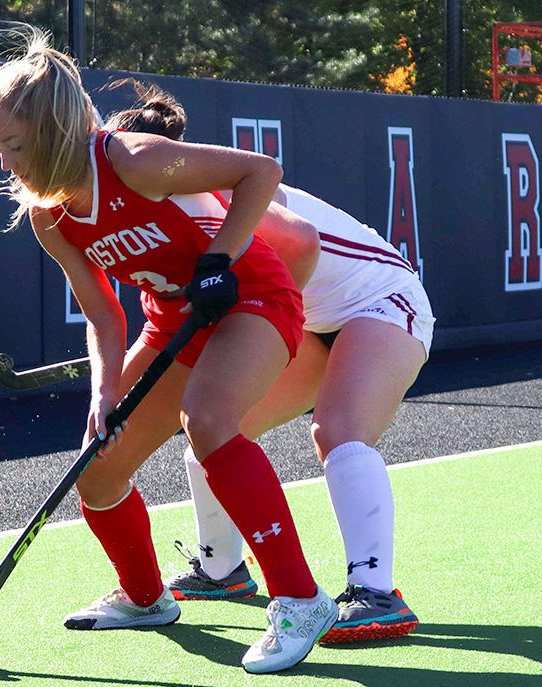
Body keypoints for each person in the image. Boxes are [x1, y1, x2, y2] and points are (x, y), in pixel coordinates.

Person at [0, 27, 338, 674]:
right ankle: (145, 597)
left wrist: (219, 259)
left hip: (250, 298)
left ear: (54, 131)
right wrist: (103, 393)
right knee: (100, 467)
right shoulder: (48, 215)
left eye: (14, 146)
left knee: (210, 420)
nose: (5, 163)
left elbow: (260, 172)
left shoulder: (135, 160)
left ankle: (300, 597)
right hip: (173, 323)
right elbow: (103, 316)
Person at [104, 80, 435, 643]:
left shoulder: (220, 200)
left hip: (379, 302)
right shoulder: (160, 221)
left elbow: (297, 254)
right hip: (308, 320)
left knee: (338, 431)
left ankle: (375, 593)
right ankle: (221, 570)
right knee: (213, 426)